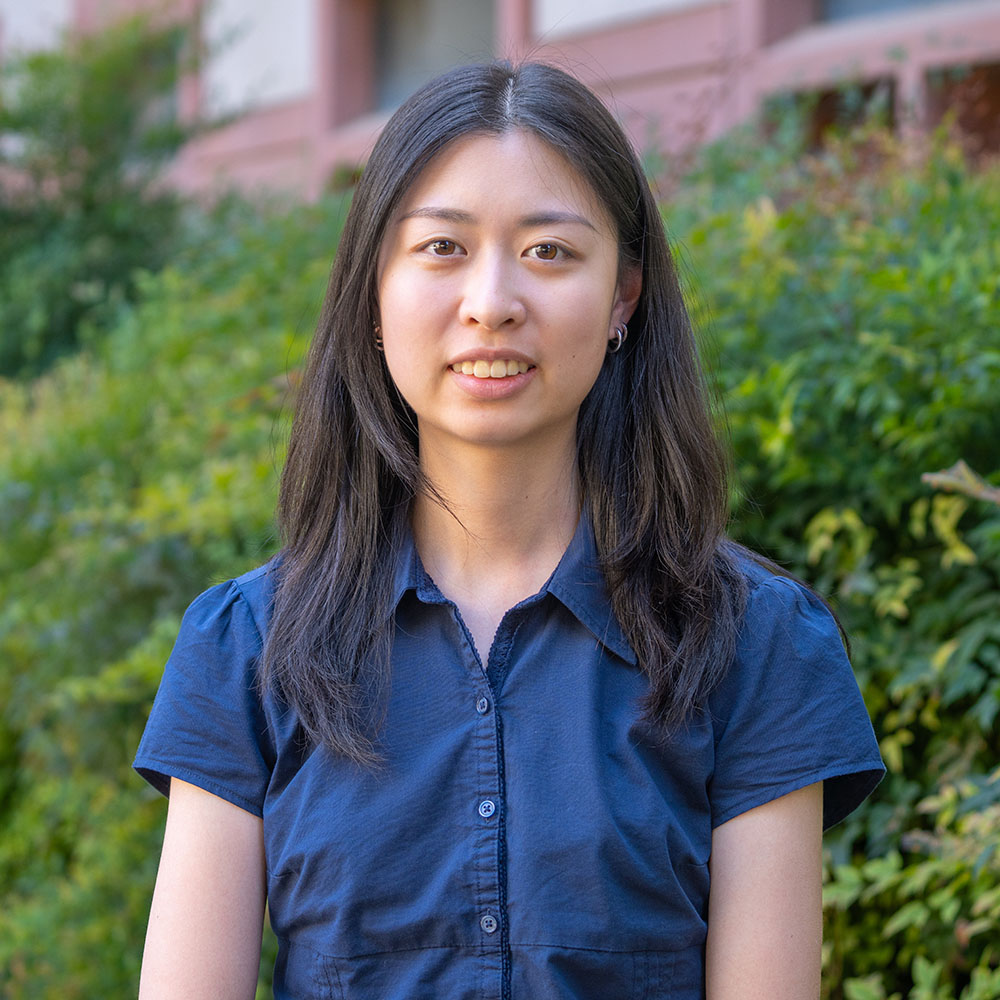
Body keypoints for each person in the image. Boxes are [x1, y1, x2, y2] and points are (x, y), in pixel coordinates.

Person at [134, 61, 884, 999]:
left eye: (549, 252)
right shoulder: (246, 649)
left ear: (624, 299)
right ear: (374, 290)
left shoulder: (756, 643)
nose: (491, 302)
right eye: (442, 247)